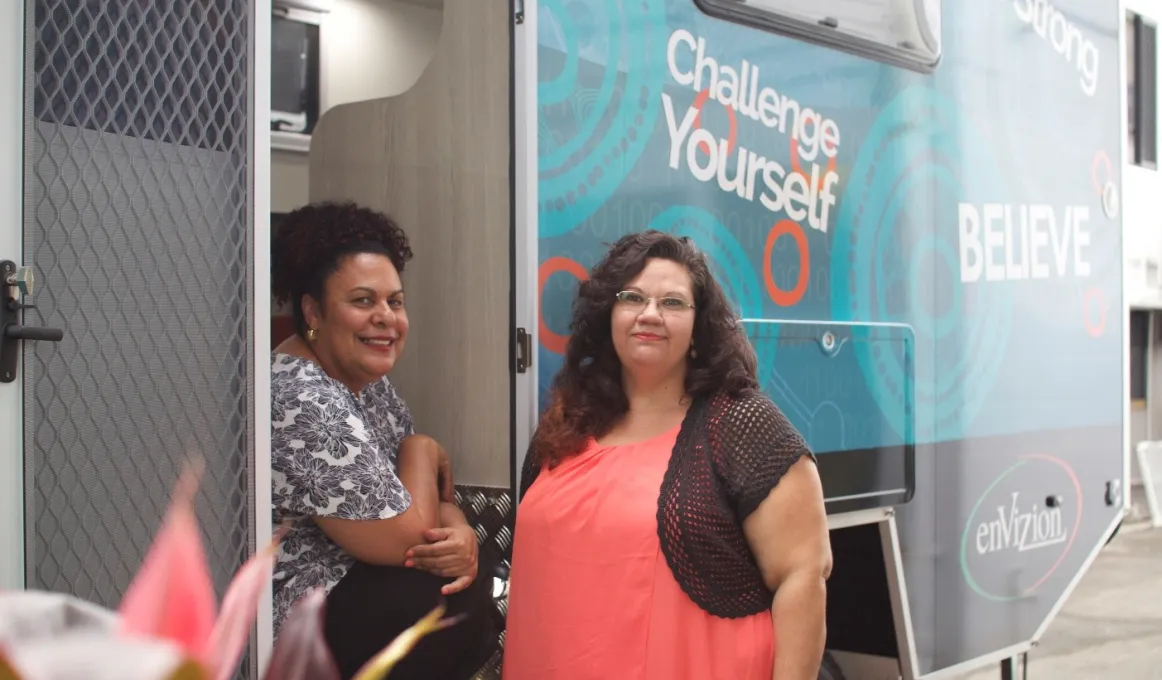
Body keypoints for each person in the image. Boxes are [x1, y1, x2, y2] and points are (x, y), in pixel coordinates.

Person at [503, 231, 833, 680]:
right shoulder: (566, 422)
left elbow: (802, 574)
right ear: (609, 315)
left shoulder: (741, 424)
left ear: (700, 326)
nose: (650, 314)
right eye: (632, 297)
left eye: (673, 303)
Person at [269, 201, 496, 680]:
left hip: (356, 591)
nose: (386, 318)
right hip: (296, 618)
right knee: (432, 597)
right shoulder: (299, 394)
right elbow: (409, 539)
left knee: (472, 574)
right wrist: (420, 449)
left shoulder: (365, 383)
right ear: (313, 310)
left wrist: (460, 536)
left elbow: (430, 502)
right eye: (363, 300)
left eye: (395, 301)